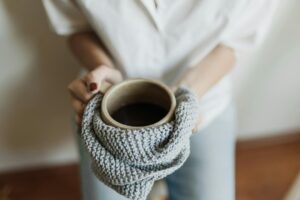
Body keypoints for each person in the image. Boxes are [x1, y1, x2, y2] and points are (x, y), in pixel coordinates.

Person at [42, 0, 278, 199]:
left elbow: (235, 41)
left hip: (203, 104)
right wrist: (102, 71)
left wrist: (189, 94)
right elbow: (75, 26)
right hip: (108, 111)